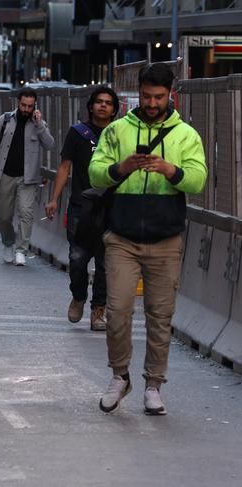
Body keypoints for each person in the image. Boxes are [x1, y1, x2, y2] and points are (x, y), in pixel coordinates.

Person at [89, 63, 207, 415]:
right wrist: (120, 168)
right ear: (136, 94)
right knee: (118, 309)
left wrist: (171, 171)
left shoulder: (185, 135)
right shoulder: (117, 130)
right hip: (121, 237)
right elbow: (95, 174)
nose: (152, 103)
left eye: (158, 97)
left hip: (166, 239)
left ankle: (154, 384)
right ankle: (119, 376)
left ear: (171, 95)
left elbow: (198, 180)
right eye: (145, 96)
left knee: (160, 315)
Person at [45, 87, 119, 331]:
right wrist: (54, 199)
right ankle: (78, 296)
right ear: (91, 106)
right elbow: (65, 167)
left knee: (105, 264)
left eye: (108, 103)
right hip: (81, 207)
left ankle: (99, 310)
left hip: (111, 208)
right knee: (77, 259)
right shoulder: (78, 133)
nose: (103, 106)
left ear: (114, 109)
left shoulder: (119, 134)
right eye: (98, 102)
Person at [0, 88, 55, 265]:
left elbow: (50, 145)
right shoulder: (5, 120)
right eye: (23, 105)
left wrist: (39, 124)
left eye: (30, 106)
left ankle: (21, 250)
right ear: (18, 103)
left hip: (28, 178)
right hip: (5, 174)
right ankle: (8, 243)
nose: (26, 109)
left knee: (26, 213)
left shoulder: (39, 124)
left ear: (34, 106)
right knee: (5, 216)